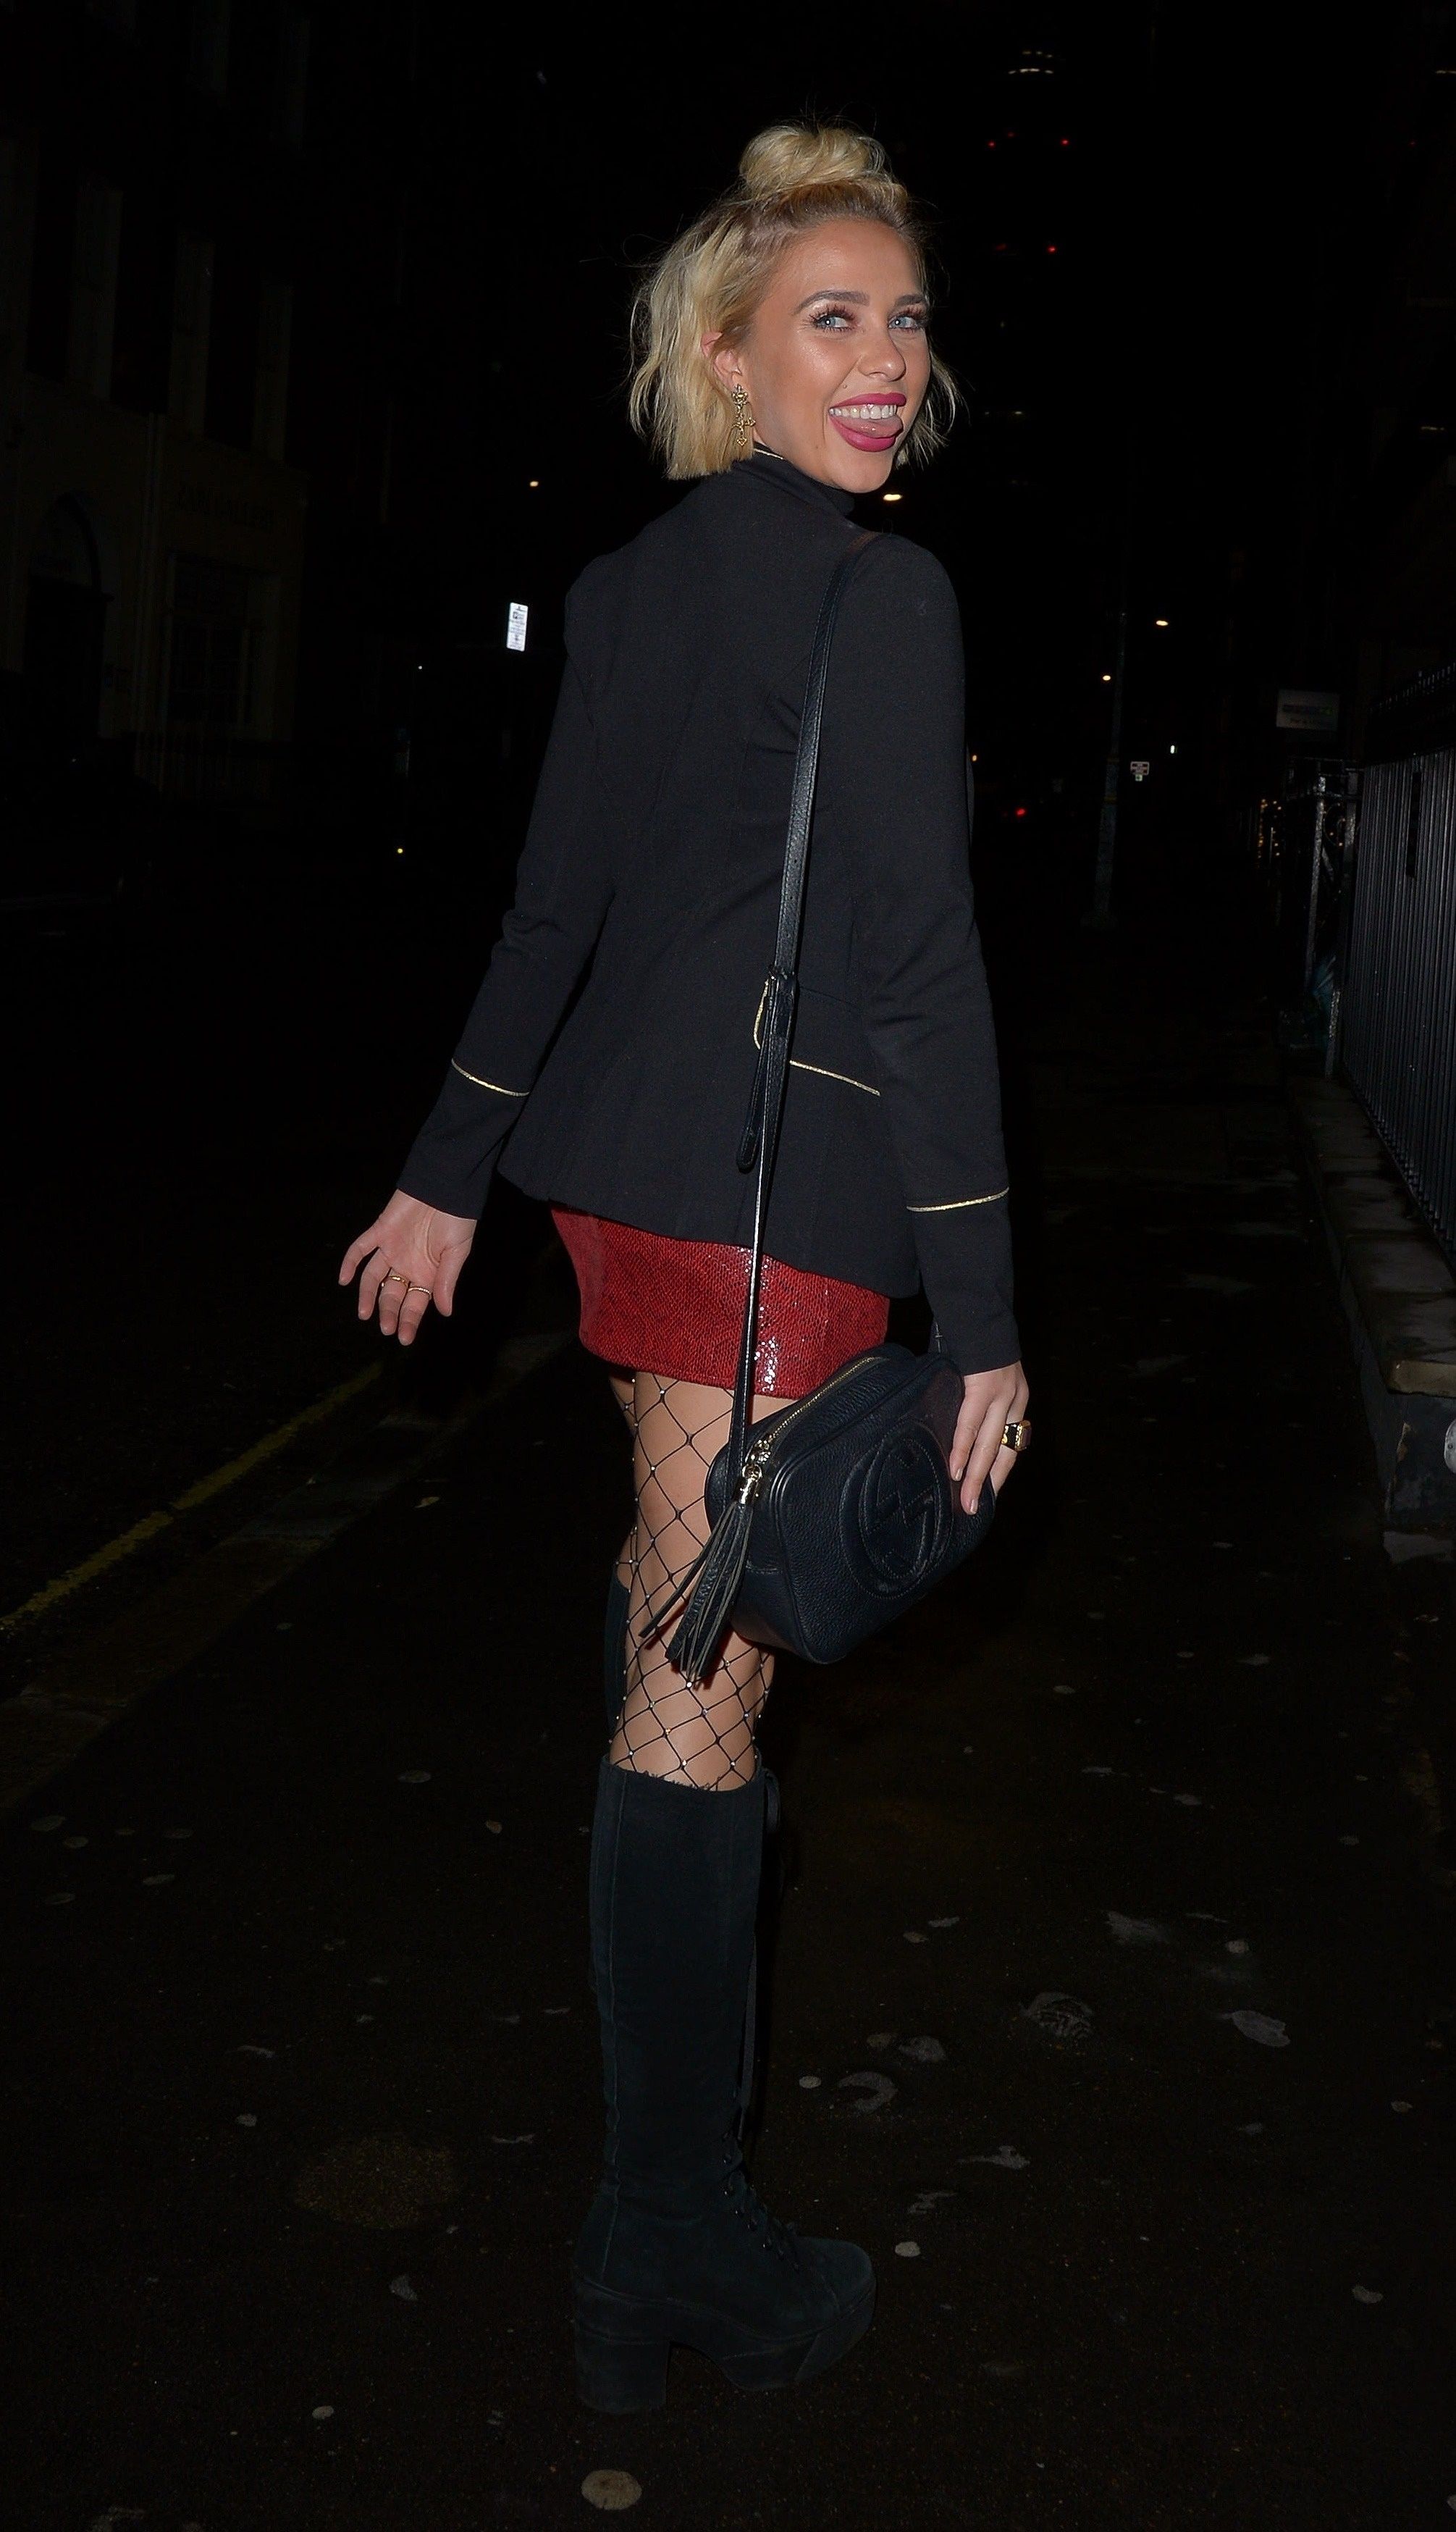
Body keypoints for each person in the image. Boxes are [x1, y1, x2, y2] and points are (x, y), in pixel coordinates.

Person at [340, 120, 1030, 2411]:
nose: (882, 357)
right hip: (778, 1208)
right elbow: (916, 970)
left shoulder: (630, 586)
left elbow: (555, 908)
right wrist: (984, 1315)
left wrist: (450, 1171)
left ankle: (672, 2226)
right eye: (830, 318)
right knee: (697, 1693)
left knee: (679, 1634)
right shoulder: (880, 597)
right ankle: (668, 2247)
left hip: (629, 1187)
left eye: (902, 317)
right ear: (724, 355)